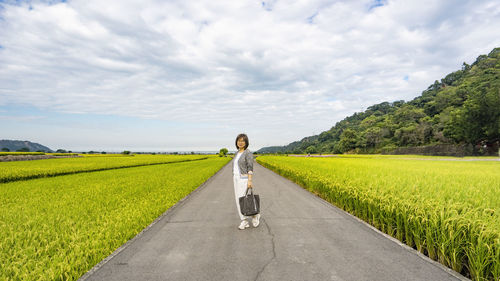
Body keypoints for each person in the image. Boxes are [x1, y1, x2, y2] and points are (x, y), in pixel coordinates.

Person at [232, 133, 260, 230]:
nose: (240, 142)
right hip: (235, 178)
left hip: (243, 179)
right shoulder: (237, 153)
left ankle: (252, 217)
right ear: (236, 142)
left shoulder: (248, 153)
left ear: (246, 142)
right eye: (239, 140)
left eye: (243, 141)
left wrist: (250, 180)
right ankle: (246, 220)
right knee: (238, 200)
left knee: (244, 200)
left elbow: (250, 167)